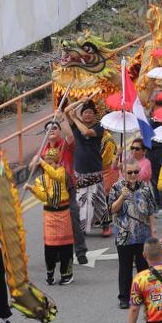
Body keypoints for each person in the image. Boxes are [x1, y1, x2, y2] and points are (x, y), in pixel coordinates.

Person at [109, 161, 157, 309]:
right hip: (124, 235)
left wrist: (153, 231)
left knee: (143, 267)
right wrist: (121, 198)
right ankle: (124, 297)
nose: (133, 175)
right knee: (125, 267)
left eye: (136, 172)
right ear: (124, 172)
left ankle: (144, 294)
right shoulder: (116, 188)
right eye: (130, 172)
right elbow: (112, 210)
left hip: (142, 234)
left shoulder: (145, 188)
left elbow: (150, 211)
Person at [64, 99, 112, 239]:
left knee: (99, 198)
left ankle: (105, 225)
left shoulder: (99, 127)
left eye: (90, 113)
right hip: (80, 169)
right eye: (85, 113)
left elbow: (85, 131)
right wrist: (80, 101)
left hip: (95, 168)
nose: (87, 115)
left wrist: (75, 117)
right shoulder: (76, 125)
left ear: (94, 115)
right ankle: (82, 227)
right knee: (81, 199)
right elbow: (66, 111)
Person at [27, 147, 74, 286]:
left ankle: (67, 274)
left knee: (65, 246)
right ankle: (50, 273)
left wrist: (42, 162)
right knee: (50, 248)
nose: (50, 165)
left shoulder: (61, 172)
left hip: (63, 213)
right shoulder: (41, 179)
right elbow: (43, 197)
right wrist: (32, 189)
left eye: (53, 162)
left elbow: (56, 175)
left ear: (58, 163)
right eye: (48, 162)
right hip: (50, 216)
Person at [44, 115, 88, 265]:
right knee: (54, 222)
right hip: (51, 190)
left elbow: (70, 134)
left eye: (54, 127)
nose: (51, 130)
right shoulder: (44, 149)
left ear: (60, 130)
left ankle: (80, 251)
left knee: (72, 217)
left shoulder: (66, 144)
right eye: (48, 129)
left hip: (67, 186)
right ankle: (56, 250)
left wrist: (62, 117)